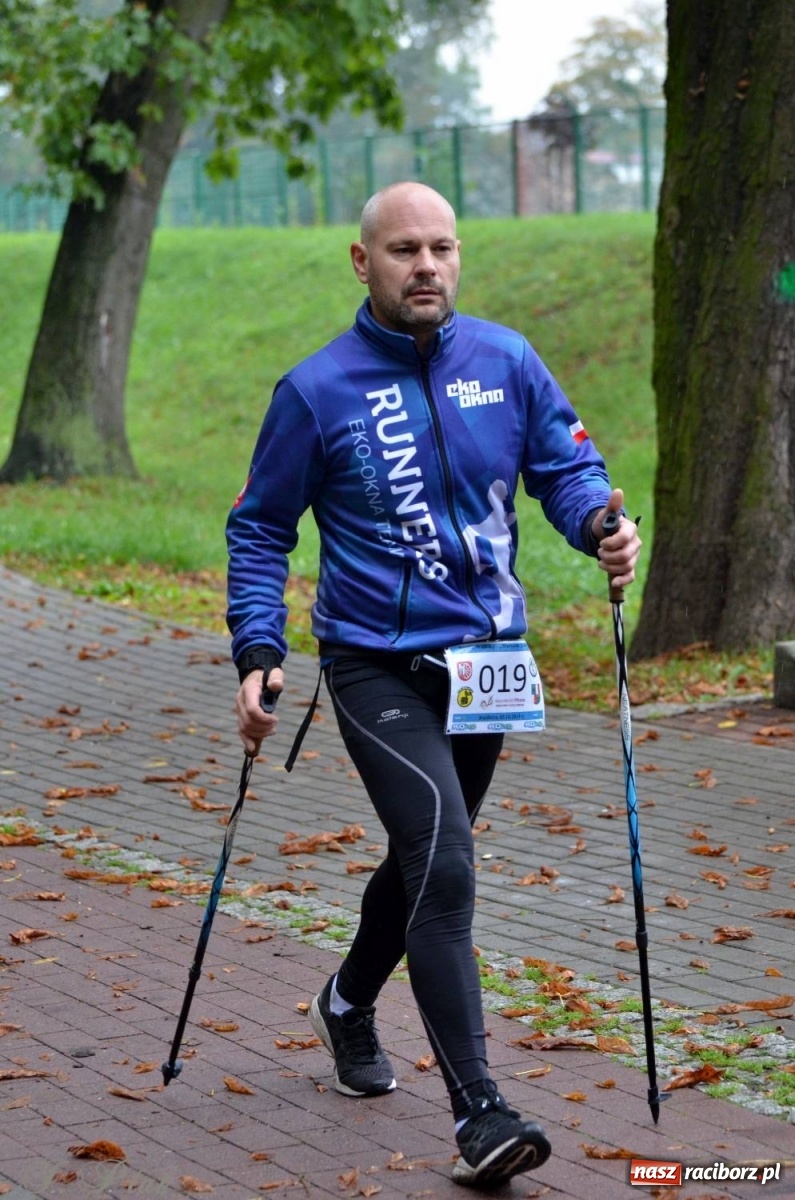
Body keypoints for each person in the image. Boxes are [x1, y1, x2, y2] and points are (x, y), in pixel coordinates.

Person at [225, 181, 641, 1189]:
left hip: (489, 660)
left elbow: (565, 470)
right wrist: (257, 647)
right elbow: (260, 527)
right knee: (444, 862)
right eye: (404, 248)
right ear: (362, 262)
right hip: (375, 663)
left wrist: (599, 523)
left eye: (442, 247)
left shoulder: (506, 360)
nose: (426, 265)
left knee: (426, 861)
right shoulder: (316, 390)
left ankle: (344, 1000)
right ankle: (481, 1114)